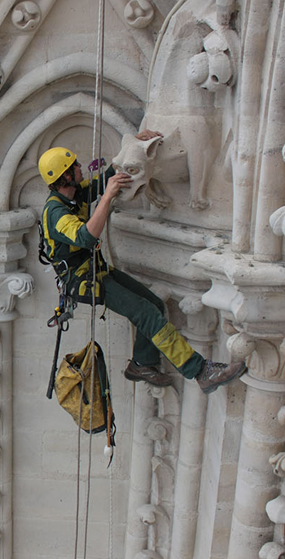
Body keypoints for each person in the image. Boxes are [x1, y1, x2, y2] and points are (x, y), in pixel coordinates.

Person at [39, 131, 247, 394]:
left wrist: (134, 145)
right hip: (83, 281)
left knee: (155, 305)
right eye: (74, 166)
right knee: (146, 313)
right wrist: (107, 198)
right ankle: (200, 371)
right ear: (65, 177)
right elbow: (87, 236)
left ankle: (141, 363)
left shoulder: (73, 195)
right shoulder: (55, 212)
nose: (81, 167)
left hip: (95, 272)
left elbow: (101, 184)